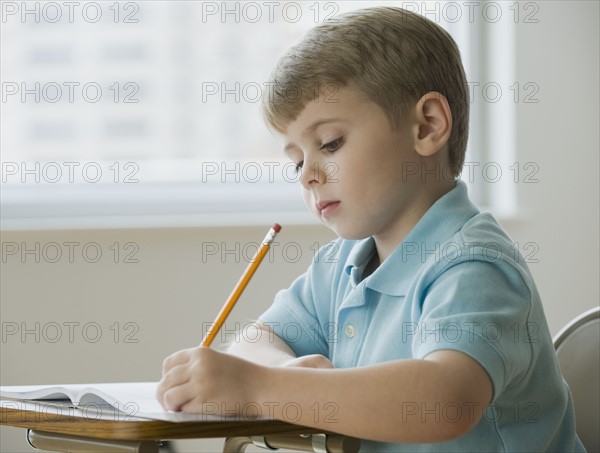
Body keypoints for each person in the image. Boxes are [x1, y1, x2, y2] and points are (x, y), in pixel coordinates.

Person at [156, 7, 584, 451]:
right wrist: (279, 376)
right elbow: (255, 340)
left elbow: (443, 401)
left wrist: (262, 390)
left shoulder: (474, 265)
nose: (307, 176)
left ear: (427, 126)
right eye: (297, 161)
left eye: (330, 144)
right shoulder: (340, 266)